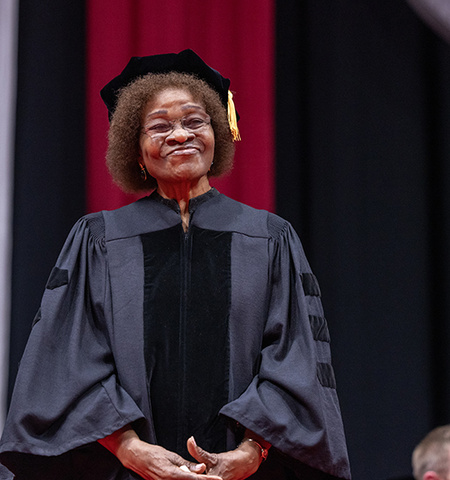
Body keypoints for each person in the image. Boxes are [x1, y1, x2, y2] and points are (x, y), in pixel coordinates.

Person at [0, 49, 351, 480]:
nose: (180, 135)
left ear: (218, 132)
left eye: (194, 121)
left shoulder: (269, 238)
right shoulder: (99, 240)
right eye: (160, 126)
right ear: (137, 149)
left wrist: (252, 450)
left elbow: (294, 356)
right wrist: (128, 448)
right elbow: (66, 359)